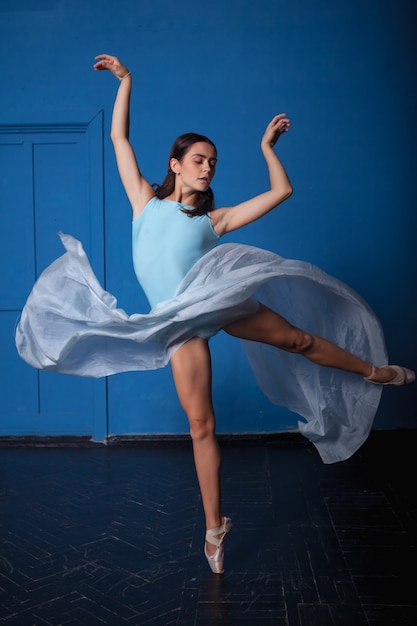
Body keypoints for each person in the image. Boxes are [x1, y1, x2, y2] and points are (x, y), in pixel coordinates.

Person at [15, 54, 415, 575]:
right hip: (178, 322)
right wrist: (126, 82)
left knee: (297, 340)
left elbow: (281, 192)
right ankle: (213, 528)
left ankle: (373, 371)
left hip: (218, 300)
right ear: (176, 163)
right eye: (199, 159)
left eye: (214, 162)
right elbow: (119, 140)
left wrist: (266, 148)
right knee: (201, 424)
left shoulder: (216, 220)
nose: (208, 167)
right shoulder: (144, 203)